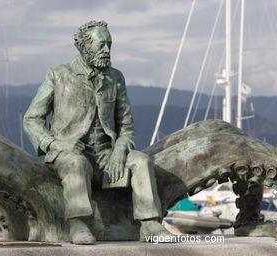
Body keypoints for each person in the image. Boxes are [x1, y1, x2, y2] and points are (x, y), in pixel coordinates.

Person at [23, 20, 172, 244]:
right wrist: (56, 144)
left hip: (106, 152)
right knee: (76, 163)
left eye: (109, 45)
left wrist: (120, 150)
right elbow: (32, 119)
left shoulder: (115, 77)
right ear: (83, 46)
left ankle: (150, 223)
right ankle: (78, 223)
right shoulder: (58, 75)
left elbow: (126, 126)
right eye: (101, 45)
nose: (107, 50)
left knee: (141, 160)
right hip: (68, 151)